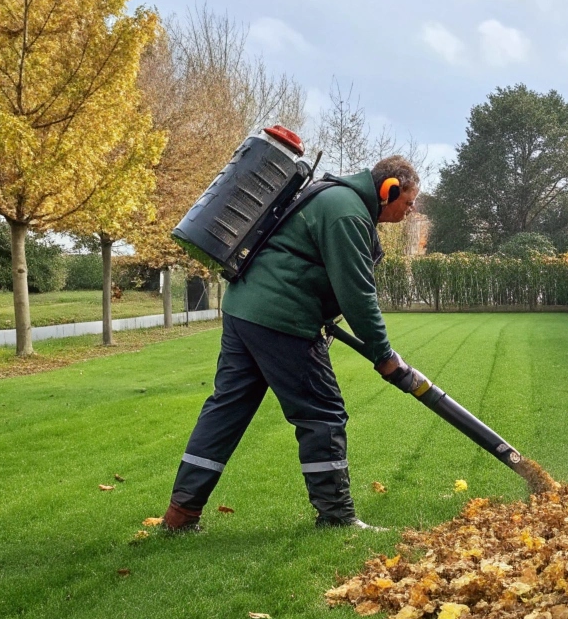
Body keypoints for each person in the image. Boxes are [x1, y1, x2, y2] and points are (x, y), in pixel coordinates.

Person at [161, 155, 422, 532]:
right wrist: (383, 355)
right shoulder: (347, 212)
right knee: (323, 414)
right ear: (388, 189)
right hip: (281, 317)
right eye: (409, 202)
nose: (410, 211)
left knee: (226, 411)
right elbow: (358, 295)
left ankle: (180, 515)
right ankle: (337, 517)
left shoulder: (333, 198)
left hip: (243, 309)